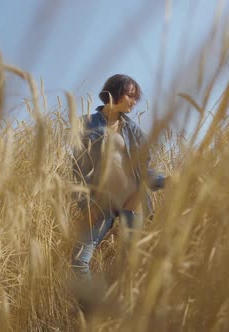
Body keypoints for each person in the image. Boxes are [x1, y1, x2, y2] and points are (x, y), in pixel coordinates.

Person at [71, 74, 166, 279]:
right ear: (114, 92)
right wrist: (85, 203)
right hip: (102, 202)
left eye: (135, 97)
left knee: (130, 267)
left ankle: (124, 308)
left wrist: (165, 181)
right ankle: (93, 307)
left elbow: (144, 169)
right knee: (79, 262)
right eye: (130, 96)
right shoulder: (86, 124)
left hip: (132, 201)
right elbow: (78, 168)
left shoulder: (133, 131)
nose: (133, 102)